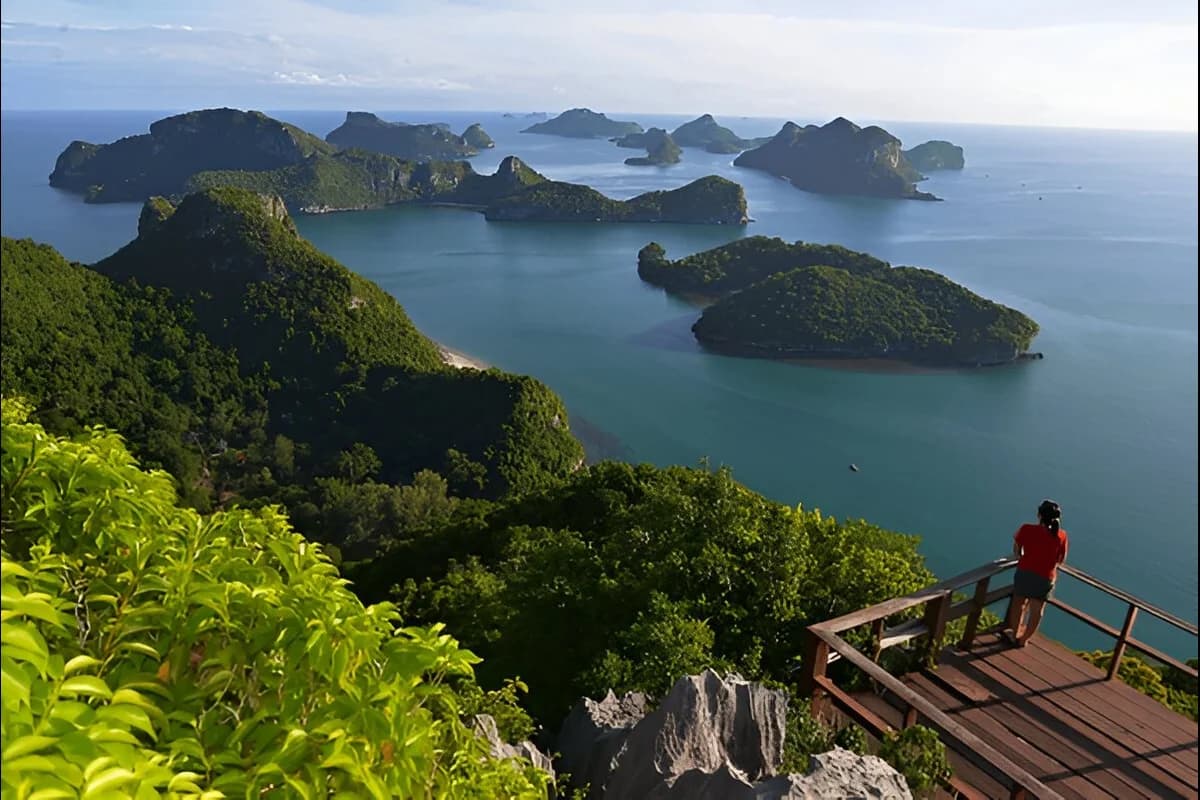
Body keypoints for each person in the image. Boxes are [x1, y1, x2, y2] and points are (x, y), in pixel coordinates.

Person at [1004, 499, 1069, 647]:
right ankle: (1024, 639)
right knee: (1037, 610)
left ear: (1039, 515)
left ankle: (1014, 634)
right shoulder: (1062, 536)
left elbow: (1017, 550)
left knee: (1018, 604)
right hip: (1046, 577)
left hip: (1025, 571)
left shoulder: (1026, 529)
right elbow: (1061, 560)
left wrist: (1026, 556)